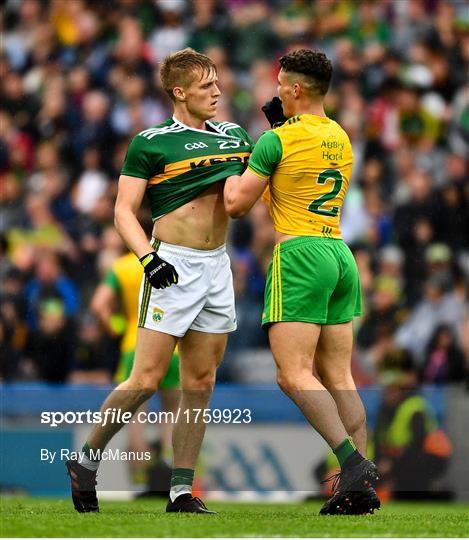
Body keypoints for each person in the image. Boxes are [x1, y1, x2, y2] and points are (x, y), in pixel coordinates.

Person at [66, 48, 253, 514]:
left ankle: (181, 491)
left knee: (201, 381)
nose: (217, 92)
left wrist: (278, 135)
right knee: (146, 379)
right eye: (207, 85)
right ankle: (87, 459)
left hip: (217, 265)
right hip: (171, 264)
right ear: (179, 92)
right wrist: (148, 259)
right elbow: (123, 212)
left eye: (217, 84)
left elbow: (256, 181)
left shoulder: (236, 135)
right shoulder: (150, 142)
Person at [224, 49, 380, 515]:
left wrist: (244, 154)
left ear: (293, 89)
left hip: (299, 255)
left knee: (292, 374)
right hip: (338, 252)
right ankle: (360, 489)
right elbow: (303, 174)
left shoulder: (277, 141)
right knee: (338, 375)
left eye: (279, 84)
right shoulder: (341, 136)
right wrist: (279, 132)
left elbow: (236, 204)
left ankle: (352, 464)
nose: (274, 91)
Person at [90, 251, 181, 489]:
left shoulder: (122, 266)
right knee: (172, 414)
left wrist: (116, 327)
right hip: (172, 343)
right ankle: (170, 475)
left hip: (136, 342)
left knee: (136, 416)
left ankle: (141, 480)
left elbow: (99, 304)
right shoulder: (173, 259)